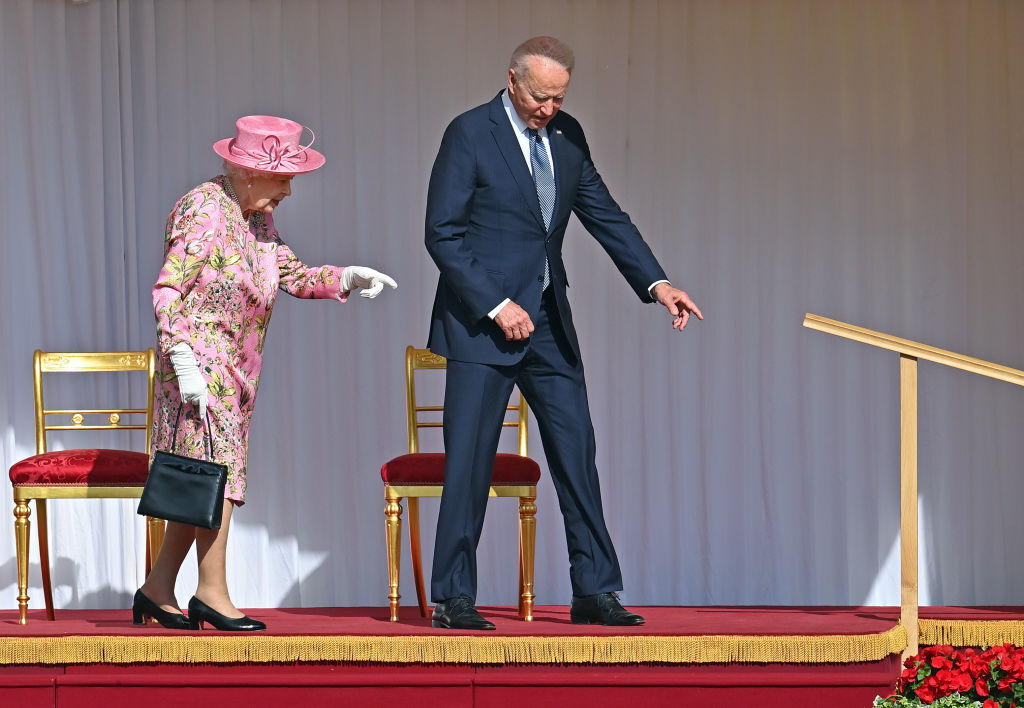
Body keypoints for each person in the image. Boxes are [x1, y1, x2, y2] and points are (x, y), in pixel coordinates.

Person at [425, 37, 703, 630]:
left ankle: (594, 590)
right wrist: (497, 305)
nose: (548, 107)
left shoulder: (568, 135)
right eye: (539, 96)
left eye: (558, 97)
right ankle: (453, 598)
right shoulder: (470, 133)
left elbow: (605, 214)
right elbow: (442, 235)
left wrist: (657, 283)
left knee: (577, 453)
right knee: (470, 461)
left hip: (549, 319)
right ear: (512, 79)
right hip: (484, 324)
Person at [132, 115, 397, 631]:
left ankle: (157, 587)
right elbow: (168, 290)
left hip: (235, 370)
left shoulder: (254, 217)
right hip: (198, 367)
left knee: (200, 479)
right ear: (252, 172)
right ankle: (212, 593)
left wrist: (345, 277)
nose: (290, 191)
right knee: (219, 478)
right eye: (285, 179)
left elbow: (292, 274)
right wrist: (183, 360)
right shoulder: (204, 209)